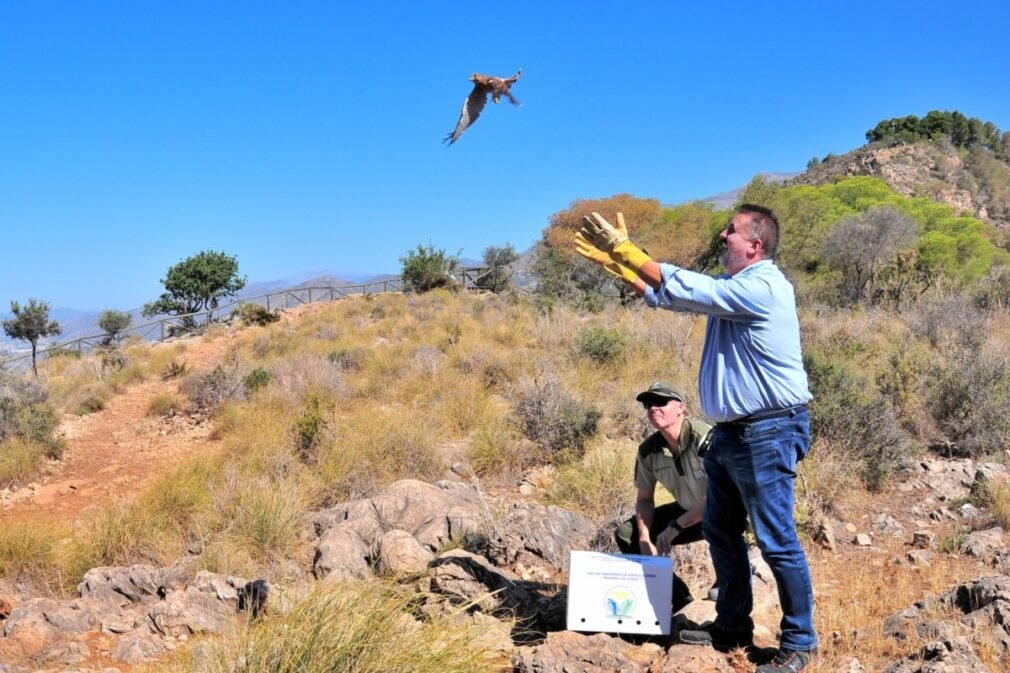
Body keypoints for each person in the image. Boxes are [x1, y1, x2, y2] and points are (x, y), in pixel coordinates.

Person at [575, 204, 816, 673]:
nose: (722, 234)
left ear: (756, 244)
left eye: (732, 230)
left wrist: (628, 250)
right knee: (721, 532)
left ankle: (800, 644)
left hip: (768, 430)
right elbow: (671, 296)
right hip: (732, 434)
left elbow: (690, 287)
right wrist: (623, 265)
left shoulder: (765, 286)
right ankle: (731, 627)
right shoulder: (734, 290)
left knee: (776, 540)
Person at [614, 382, 713, 613]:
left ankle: (730, 585)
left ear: (681, 408)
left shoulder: (705, 437)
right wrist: (645, 538)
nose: (653, 408)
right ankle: (679, 599)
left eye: (660, 402)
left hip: (726, 513)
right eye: (648, 404)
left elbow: (720, 495)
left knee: (722, 517)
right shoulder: (648, 450)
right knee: (627, 535)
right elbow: (645, 500)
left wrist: (675, 527)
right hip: (688, 510)